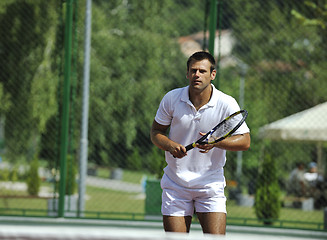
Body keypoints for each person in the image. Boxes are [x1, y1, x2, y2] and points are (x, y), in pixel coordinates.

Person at [150, 51, 251, 235]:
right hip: (176, 185)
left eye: (202, 71)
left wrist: (216, 142)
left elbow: (245, 141)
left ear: (213, 74)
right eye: (193, 70)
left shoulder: (227, 103)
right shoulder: (172, 99)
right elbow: (156, 132)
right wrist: (170, 145)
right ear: (187, 74)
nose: (197, 75)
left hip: (210, 185)